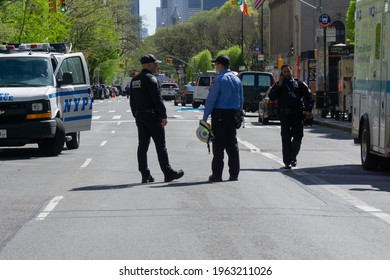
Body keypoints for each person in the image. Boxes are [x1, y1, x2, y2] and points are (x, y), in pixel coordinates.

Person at [129, 54, 184, 183]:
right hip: (152, 116)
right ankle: (168, 173)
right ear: (148, 64)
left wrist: (136, 114)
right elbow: (157, 99)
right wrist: (163, 116)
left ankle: (145, 173)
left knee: (142, 146)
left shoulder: (134, 80)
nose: (156, 66)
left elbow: (132, 101)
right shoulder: (151, 79)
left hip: (140, 116)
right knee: (160, 146)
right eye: (154, 63)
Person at [202, 54, 244, 182]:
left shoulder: (219, 79)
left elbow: (211, 99)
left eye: (216, 64)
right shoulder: (237, 80)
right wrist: (239, 114)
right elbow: (241, 99)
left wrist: (205, 117)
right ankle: (234, 174)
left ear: (220, 65)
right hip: (233, 115)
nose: (215, 67)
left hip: (220, 115)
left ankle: (217, 174)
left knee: (218, 145)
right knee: (232, 145)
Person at [268, 64, 314, 169]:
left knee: (298, 137)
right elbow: (271, 96)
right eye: (284, 72)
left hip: (297, 115)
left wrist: (308, 110)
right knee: (286, 138)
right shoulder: (279, 85)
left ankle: (293, 155)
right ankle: (287, 161)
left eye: (288, 71)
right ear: (281, 74)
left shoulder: (299, 84)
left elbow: (309, 97)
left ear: (291, 71)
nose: (287, 73)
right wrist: (279, 85)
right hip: (284, 116)